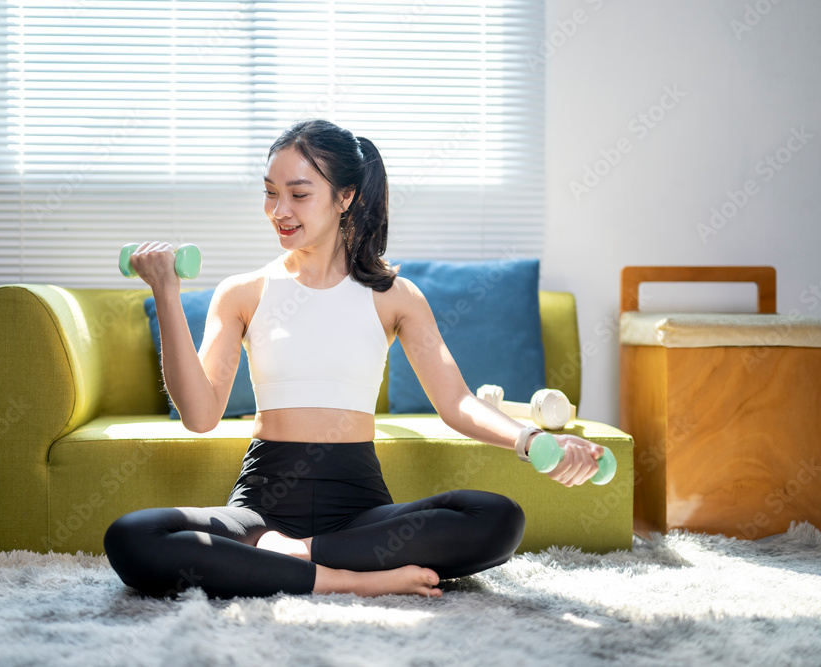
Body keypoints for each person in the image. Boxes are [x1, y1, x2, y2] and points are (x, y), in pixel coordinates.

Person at [103, 119, 605, 600]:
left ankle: (296, 558)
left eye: (298, 194)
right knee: (133, 536)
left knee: (497, 519)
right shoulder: (242, 292)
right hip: (262, 505)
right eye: (270, 192)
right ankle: (350, 580)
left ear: (346, 198)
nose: (280, 209)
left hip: (358, 507)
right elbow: (200, 415)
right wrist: (166, 292)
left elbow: (457, 402)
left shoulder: (395, 296)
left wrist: (532, 439)